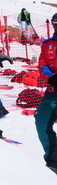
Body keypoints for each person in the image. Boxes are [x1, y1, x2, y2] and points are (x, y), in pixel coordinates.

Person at [35, 13, 57, 175]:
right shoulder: (47, 45)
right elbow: (42, 64)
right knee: (42, 122)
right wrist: (52, 78)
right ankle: (53, 160)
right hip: (52, 92)